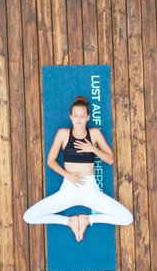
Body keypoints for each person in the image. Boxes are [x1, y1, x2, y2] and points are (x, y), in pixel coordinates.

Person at [22, 95, 133, 242]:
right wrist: (67, 175)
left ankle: (87, 219)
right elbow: (50, 161)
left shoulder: (94, 133)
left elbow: (110, 160)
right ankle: (70, 222)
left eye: (82, 116)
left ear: (88, 117)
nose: (78, 119)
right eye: (75, 116)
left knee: (127, 218)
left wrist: (92, 148)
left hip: (90, 190)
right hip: (68, 189)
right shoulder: (63, 134)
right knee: (28, 217)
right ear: (70, 117)